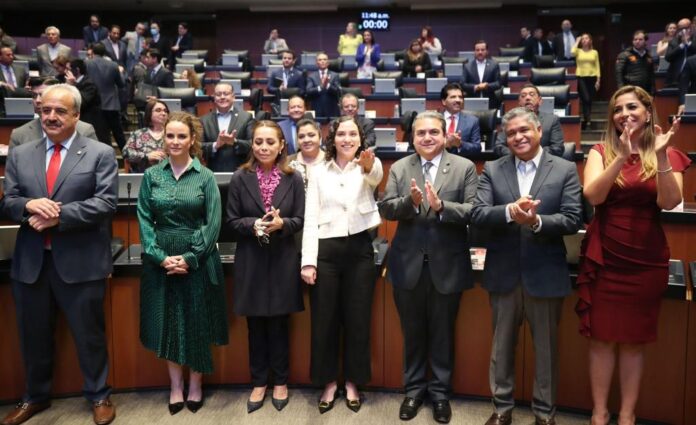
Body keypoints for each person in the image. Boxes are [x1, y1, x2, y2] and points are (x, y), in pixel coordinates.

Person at [1, 83, 118, 425]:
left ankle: (99, 395)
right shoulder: (21, 152)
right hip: (31, 263)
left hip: (80, 262)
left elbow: (105, 203)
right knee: (32, 336)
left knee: (89, 335)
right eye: (46, 110)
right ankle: (34, 397)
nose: (50, 116)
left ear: (76, 115)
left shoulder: (99, 152)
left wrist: (57, 214)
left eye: (60, 111)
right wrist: (27, 204)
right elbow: (8, 202)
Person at [577, 86, 689, 425]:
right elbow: (593, 196)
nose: (625, 114)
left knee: (633, 343)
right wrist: (622, 157)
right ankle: (600, 413)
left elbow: (670, 202)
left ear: (648, 111)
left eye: (632, 107)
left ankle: (627, 415)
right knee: (601, 341)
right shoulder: (600, 151)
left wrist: (663, 155)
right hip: (606, 255)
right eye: (617, 109)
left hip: (646, 257)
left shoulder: (669, 152)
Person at [472, 107, 584, 425]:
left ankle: (544, 413)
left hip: (545, 272)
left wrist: (536, 222)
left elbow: (573, 218)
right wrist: (509, 211)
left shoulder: (563, 169)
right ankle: (501, 409)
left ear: (538, 130)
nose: (518, 137)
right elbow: (479, 214)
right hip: (503, 272)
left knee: (546, 350)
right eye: (511, 133)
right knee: (501, 348)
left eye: (524, 130)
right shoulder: (493, 170)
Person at [379, 111, 478, 424]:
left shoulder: (463, 167)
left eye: (433, 132)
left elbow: (474, 211)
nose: (427, 138)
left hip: (447, 264)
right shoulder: (399, 167)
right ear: (412, 137)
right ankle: (414, 391)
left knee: (442, 333)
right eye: (420, 133)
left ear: (445, 135)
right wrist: (411, 202)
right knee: (413, 332)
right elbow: (386, 208)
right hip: (407, 263)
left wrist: (440, 207)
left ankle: (440, 394)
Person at [137, 111, 228, 416]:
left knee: (197, 322)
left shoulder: (205, 176)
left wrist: (190, 258)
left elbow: (213, 223)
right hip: (160, 261)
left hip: (198, 260)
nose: (175, 141)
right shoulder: (152, 176)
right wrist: (160, 257)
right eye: (170, 135)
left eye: (181, 136)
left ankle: (196, 384)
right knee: (169, 324)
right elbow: (145, 221)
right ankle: (176, 386)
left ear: (192, 140)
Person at [301, 115, 382, 414]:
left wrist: (368, 164)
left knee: (358, 319)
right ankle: (328, 382)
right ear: (332, 139)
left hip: (360, 249)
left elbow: (375, 177)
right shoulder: (319, 171)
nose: (347, 139)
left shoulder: (369, 165)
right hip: (326, 251)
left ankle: (352, 381)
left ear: (361, 139)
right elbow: (310, 217)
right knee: (324, 320)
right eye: (341, 134)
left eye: (353, 134)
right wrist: (308, 261)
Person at [226, 120, 305, 413]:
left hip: (283, 258)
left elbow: (300, 219)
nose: (264, 147)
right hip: (252, 259)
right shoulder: (239, 177)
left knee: (280, 325)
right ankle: (259, 382)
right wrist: (254, 224)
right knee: (255, 325)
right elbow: (232, 220)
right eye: (258, 142)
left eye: (270, 142)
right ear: (251, 145)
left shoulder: (293, 177)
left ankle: (281, 382)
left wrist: (282, 224)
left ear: (282, 145)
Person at [9, 77, 96, 149]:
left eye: (43, 95)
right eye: (34, 96)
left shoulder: (85, 131)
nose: (38, 100)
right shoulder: (19, 135)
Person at [494, 84, 565, 158]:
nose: (527, 98)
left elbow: (557, 148)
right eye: (523, 96)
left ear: (540, 100)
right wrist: (519, 155)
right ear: (519, 102)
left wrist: (532, 155)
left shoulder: (552, 120)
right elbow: (499, 147)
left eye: (532, 95)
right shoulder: (510, 121)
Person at [200, 82, 254, 172]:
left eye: (226, 94)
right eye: (218, 94)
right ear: (214, 98)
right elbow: (198, 146)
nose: (222, 97)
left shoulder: (246, 117)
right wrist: (215, 145)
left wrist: (235, 142)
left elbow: (252, 144)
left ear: (233, 97)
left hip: (240, 172)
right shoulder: (204, 120)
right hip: (212, 173)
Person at [86, 43, 127, 150]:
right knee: (119, 135)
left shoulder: (86, 63)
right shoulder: (113, 65)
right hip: (111, 105)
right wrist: (121, 72)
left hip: (93, 105)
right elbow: (121, 84)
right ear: (104, 53)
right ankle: (130, 160)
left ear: (93, 52)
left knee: (99, 135)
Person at [63, 59, 104, 143]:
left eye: (68, 69)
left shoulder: (89, 83)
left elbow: (81, 103)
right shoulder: (72, 83)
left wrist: (72, 86)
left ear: (77, 70)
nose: (65, 71)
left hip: (89, 123)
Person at [123, 100, 169, 172]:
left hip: (168, 175)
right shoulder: (138, 134)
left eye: (165, 111)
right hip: (142, 176)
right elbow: (126, 153)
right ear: (149, 113)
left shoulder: (172, 134)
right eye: (158, 110)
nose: (163, 113)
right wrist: (146, 156)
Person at [439, 83, 481, 154]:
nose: (458, 100)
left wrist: (460, 144)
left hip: (461, 162)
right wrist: (445, 143)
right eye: (453, 97)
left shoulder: (472, 121)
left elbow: (477, 148)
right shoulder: (434, 120)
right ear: (444, 101)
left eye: (460, 97)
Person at [572, 33, 601, 129]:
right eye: (583, 39)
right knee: (586, 98)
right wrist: (576, 41)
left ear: (590, 41)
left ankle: (587, 120)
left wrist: (598, 80)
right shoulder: (578, 51)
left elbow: (597, 66)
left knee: (589, 100)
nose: (584, 40)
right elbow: (572, 52)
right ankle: (587, 119)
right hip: (581, 77)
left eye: (586, 38)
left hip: (592, 77)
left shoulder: (594, 52)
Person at [288, 118, 325, 188]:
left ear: (320, 137)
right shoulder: (287, 163)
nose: (306, 140)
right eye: (301, 136)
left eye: (311, 135)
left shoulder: (331, 161)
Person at [615, 30, 654, 95]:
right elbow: (618, 73)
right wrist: (621, 90)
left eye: (640, 39)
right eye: (635, 39)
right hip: (630, 90)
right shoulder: (625, 54)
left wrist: (653, 91)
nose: (637, 41)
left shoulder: (648, 56)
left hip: (646, 91)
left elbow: (651, 75)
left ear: (645, 41)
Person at [306, 52, 341, 118]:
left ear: (328, 62)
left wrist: (327, 85)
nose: (322, 61)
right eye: (320, 60)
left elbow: (338, 91)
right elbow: (308, 91)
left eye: (325, 59)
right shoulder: (311, 76)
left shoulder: (335, 75)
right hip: (317, 109)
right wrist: (320, 87)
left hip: (332, 109)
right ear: (316, 63)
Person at [664, 18, 696, 87]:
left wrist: (688, 43)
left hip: (693, 76)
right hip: (676, 77)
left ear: (690, 27)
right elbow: (667, 57)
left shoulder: (694, 39)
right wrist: (681, 45)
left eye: (685, 28)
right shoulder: (674, 41)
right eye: (680, 29)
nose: (683, 31)